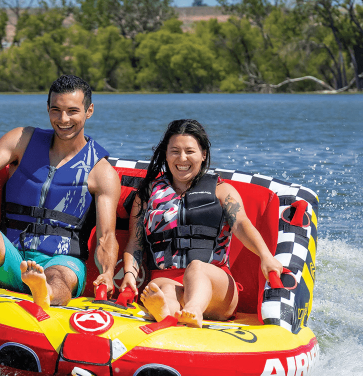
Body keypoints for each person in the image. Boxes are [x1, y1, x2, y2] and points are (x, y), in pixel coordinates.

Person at [0, 75, 121, 310]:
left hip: (62, 261)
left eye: (72, 111)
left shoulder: (101, 172)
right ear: (47, 109)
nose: (63, 119)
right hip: (12, 255)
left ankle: (44, 291)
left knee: (58, 277)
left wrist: (107, 273)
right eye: (56, 110)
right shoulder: (21, 140)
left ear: (89, 111)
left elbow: (106, 236)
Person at [119, 119, 283, 328]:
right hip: (168, 279)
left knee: (197, 269)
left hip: (216, 284)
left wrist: (265, 256)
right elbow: (135, 243)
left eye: (190, 151)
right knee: (159, 288)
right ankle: (167, 312)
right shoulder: (148, 194)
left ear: (203, 154)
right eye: (175, 151)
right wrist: (129, 276)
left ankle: (193, 309)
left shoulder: (221, 191)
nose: (182, 158)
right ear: (166, 154)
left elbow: (241, 224)